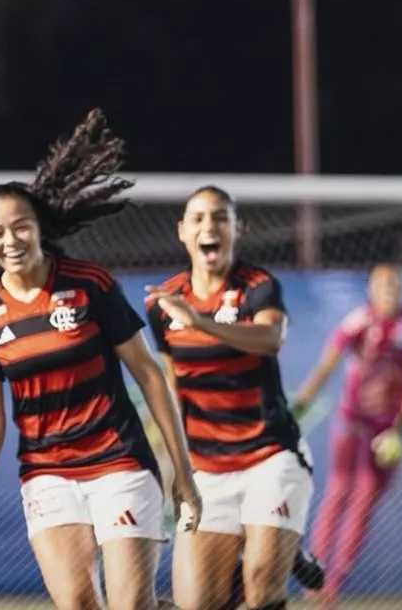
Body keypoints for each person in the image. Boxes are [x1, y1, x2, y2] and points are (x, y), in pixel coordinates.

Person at [0, 108, 202, 610]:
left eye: (20, 227)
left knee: (131, 605)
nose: (10, 240)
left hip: (119, 461)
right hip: (46, 472)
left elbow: (150, 377)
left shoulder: (89, 285)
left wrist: (183, 472)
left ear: (38, 228)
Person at [144, 186, 317, 610]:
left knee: (262, 587)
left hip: (270, 453)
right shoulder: (163, 302)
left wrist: (199, 321)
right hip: (208, 467)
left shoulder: (258, 286)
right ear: (182, 231)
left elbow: (270, 338)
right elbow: (175, 388)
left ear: (238, 229)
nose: (210, 227)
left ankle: (270, 549)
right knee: (198, 603)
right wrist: (176, 469)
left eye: (220, 217)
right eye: (199, 218)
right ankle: (277, 545)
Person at [293, 263, 402, 609]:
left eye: (394, 285)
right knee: (339, 491)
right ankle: (315, 578)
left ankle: (333, 586)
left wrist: (401, 432)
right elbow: (327, 365)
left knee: (366, 498)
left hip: (387, 429)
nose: (388, 291)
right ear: (370, 289)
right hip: (352, 419)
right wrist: (299, 407)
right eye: (382, 285)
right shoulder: (358, 320)